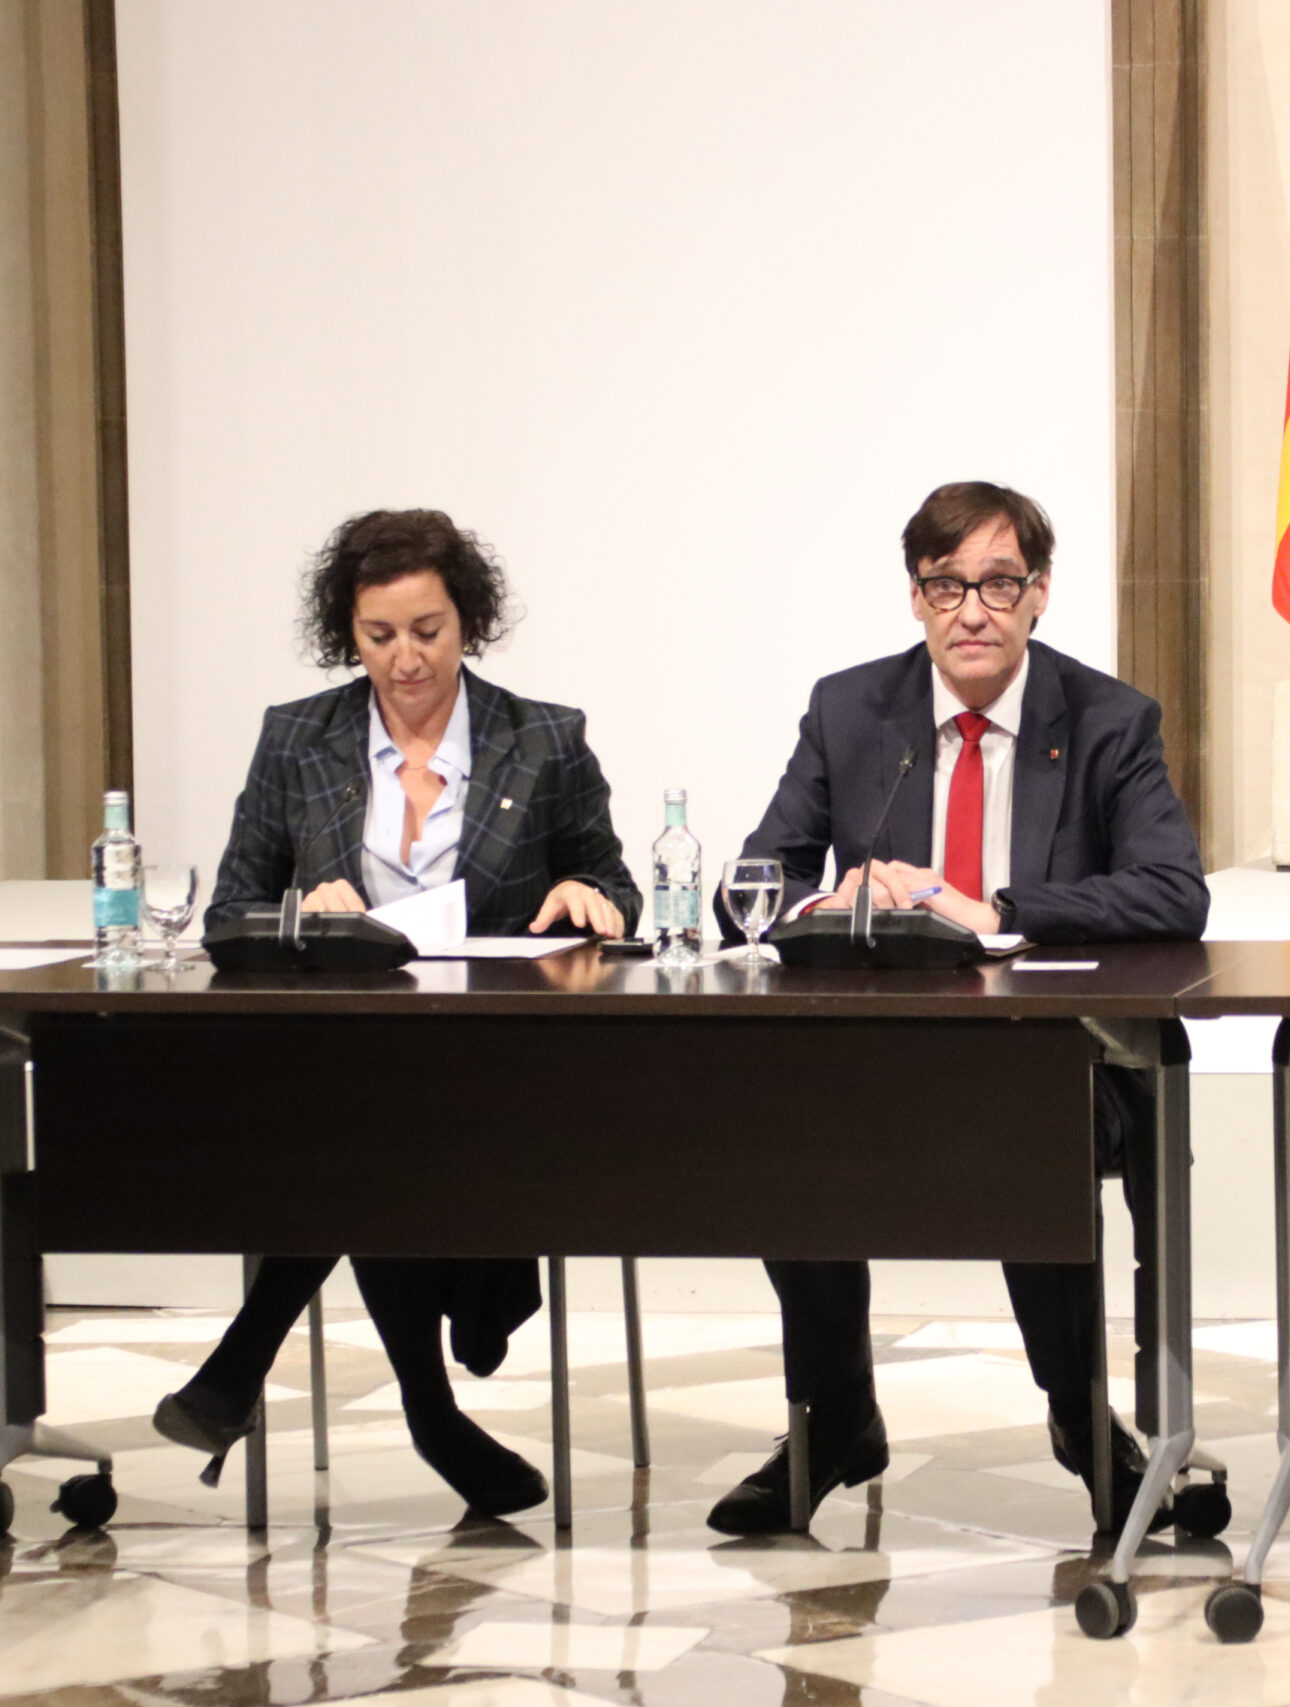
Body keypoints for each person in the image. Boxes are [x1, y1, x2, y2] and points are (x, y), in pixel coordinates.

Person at [705, 480, 1210, 1538]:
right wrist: (828, 899)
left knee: (1024, 1122)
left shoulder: (1109, 720)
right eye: (946, 586)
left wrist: (1002, 911)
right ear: (915, 596)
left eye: (998, 584)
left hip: (1060, 1058)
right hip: (884, 1053)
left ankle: (1081, 1420)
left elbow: (1174, 891)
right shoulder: (851, 711)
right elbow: (750, 885)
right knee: (775, 1121)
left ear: (1040, 593)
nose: (971, 611)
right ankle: (835, 1417)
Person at [154, 508, 641, 1519]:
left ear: (469, 622)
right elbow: (231, 909)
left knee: (361, 1137)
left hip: (502, 1063)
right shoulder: (299, 738)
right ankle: (426, 1408)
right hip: (349, 1051)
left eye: (427, 631)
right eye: (379, 636)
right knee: (365, 1122)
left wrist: (588, 896)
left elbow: (616, 886)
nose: (405, 659)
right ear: (349, 632)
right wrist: (303, 909)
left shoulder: (542, 738)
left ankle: (247, 1368)